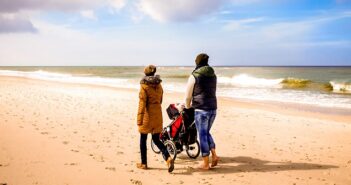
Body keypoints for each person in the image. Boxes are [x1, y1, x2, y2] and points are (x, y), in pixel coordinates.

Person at [184, 53, 219, 170]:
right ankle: (214, 155)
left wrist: (187, 106)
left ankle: (205, 163)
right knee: (206, 132)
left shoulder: (194, 75)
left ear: (197, 62)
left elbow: (188, 96)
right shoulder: (213, 74)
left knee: (202, 134)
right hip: (213, 108)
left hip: (201, 109)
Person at [136, 65, 174, 173]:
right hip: (158, 114)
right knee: (156, 140)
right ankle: (168, 158)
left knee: (143, 139)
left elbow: (142, 103)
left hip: (147, 115)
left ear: (145, 73)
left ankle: (144, 163)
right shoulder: (159, 85)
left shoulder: (144, 85)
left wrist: (139, 119)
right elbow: (160, 100)